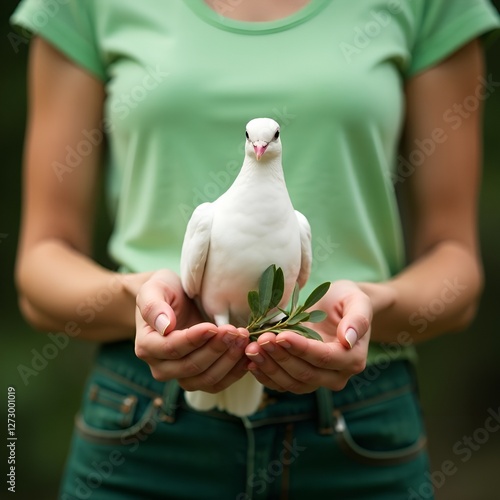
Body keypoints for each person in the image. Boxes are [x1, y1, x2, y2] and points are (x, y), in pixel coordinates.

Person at [11, 0, 500, 498]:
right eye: (253, 141)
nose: (260, 148)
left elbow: (456, 265)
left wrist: (368, 309)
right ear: (247, 143)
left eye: (269, 141)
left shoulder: (435, 7)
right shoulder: (210, 218)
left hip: (359, 430)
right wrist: (146, 301)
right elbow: (39, 268)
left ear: (276, 142)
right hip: (142, 423)